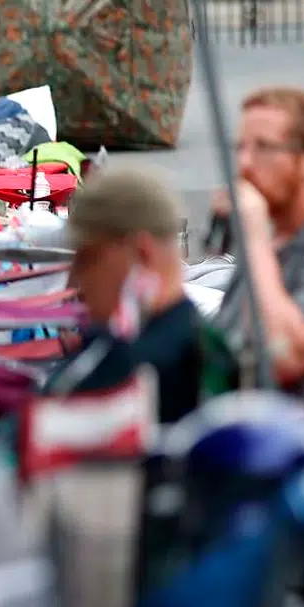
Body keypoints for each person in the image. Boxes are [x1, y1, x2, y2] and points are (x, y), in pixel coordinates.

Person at [43, 168, 216, 423]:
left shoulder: (133, 372)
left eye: (88, 260)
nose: (74, 281)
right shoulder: (198, 344)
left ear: (142, 254)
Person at [213, 86, 304, 412]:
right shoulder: (272, 244)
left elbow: (287, 356)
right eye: (240, 148)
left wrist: (253, 235)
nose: (245, 164)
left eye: (264, 148)